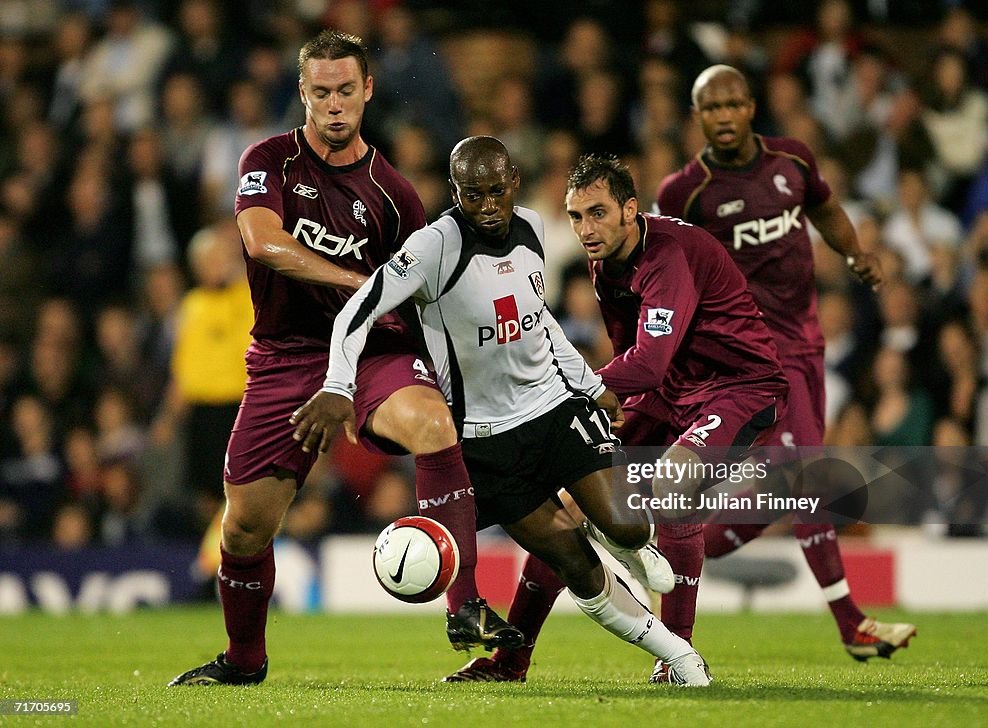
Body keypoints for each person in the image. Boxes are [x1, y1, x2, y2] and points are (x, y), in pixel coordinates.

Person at [290, 136, 711, 687]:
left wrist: (590, 387)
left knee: (627, 526)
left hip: (555, 410)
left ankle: (629, 545)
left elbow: (541, 324)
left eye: (496, 192)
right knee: (576, 568)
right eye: (473, 195)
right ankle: (679, 656)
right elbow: (357, 309)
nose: (487, 206)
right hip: (485, 441)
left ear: (513, 181)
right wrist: (338, 384)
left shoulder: (534, 228)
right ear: (455, 190)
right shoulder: (433, 247)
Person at [168, 31, 519, 688]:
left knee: (434, 426)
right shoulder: (267, 160)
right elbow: (261, 241)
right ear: (303, 93)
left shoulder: (394, 195)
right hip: (285, 360)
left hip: (372, 352)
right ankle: (244, 662)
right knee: (242, 531)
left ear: (367, 92)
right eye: (321, 91)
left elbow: (422, 298)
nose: (334, 104)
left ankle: (464, 602)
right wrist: (361, 283)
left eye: (346, 91)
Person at [448, 152, 791, 684]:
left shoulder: (668, 255)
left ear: (631, 209)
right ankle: (510, 662)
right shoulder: (603, 263)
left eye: (599, 213)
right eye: (577, 216)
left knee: (676, 481)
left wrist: (575, 394)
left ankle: (676, 657)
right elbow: (631, 354)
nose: (586, 228)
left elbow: (647, 362)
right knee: (569, 506)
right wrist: (597, 410)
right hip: (669, 393)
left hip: (737, 389)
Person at [654, 64, 914, 660]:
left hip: (807, 343)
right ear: (697, 117)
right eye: (710, 109)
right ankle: (851, 625)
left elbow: (823, 208)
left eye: (731, 105)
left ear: (750, 107)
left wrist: (854, 255)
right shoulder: (684, 193)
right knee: (806, 477)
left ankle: (659, 554)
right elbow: (668, 272)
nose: (722, 118)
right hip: (751, 358)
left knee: (776, 490)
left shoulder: (791, 162)